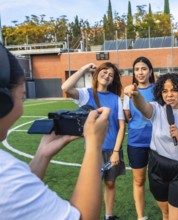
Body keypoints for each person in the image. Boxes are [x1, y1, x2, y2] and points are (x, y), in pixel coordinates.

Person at [0, 43, 110, 219]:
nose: (22, 107)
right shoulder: (5, 175)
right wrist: (94, 145)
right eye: (22, 97)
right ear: (2, 101)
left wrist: (42, 155)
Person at [124, 73, 178, 220]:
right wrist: (135, 95)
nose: (169, 95)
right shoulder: (157, 108)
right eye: (164, 91)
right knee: (166, 214)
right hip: (158, 167)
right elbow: (143, 106)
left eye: (174, 90)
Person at [62, 62, 126, 220]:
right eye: (104, 72)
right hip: (93, 151)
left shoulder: (116, 98)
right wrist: (83, 69)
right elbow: (66, 88)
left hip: (112, 149)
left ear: (113, 80)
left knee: (110, 183)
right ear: (97, 74)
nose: (107, 76)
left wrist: (116, 152)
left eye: (111, 75)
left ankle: (108, 216)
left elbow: (121, 127)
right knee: (92, 186)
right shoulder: (86, 94)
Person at [123, 56, 156, 220]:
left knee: (160, 180)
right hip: (136, 141)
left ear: (150, 71)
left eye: (144, 69)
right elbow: (127, 116)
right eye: (137, 69)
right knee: (139, 180)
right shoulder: (128, 92)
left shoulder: (159, 90)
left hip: (158, 141)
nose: (140, 72)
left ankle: (167, 213)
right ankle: (140, 216)